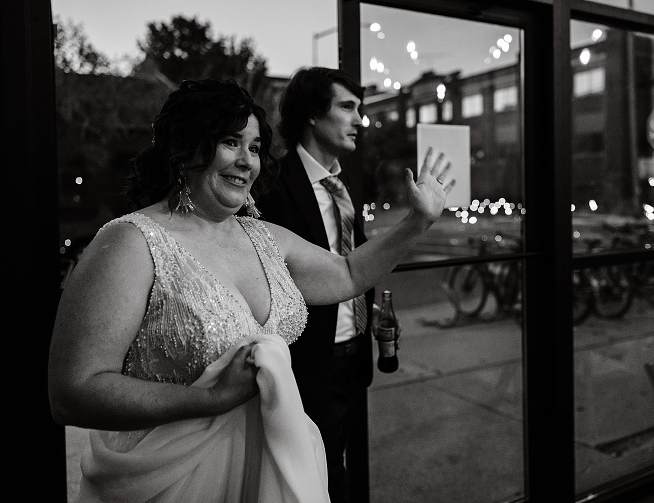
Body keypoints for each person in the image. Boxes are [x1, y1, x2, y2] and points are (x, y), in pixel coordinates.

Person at [47, 77, 453, 503]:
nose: (247, 161)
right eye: (230, 142)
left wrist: (416, 223)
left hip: (268, 467)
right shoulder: (130, 242)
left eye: (255, 148)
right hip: (174, 479)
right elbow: (73, 392)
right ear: (186, 147)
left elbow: (349, 274)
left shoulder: (264, 237)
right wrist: (210, 399)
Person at [258, 67, 387, 502]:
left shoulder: (342, 183)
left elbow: (355, 258)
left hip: (353, 356)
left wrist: (378, 314)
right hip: (306, 361)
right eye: (347, 107)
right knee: (321, 478)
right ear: (313, 114)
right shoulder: (273, 182)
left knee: (336, 463)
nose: (358, 120)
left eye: (360, 109)